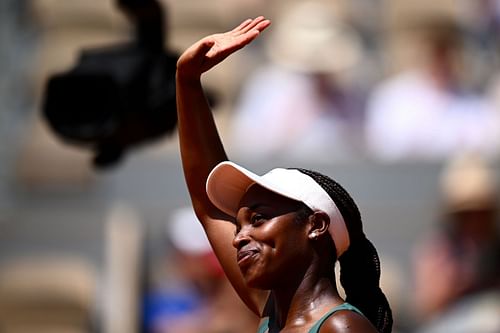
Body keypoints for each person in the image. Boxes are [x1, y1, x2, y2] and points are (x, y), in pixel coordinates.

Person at [175, 17, 392, 333]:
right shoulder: (274, 314)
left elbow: (209, 209)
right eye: (239, 224)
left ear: (315, 225)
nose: (238, 236)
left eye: (258, 219)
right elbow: (208, 206)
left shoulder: (342, 328)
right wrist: (187, 81)